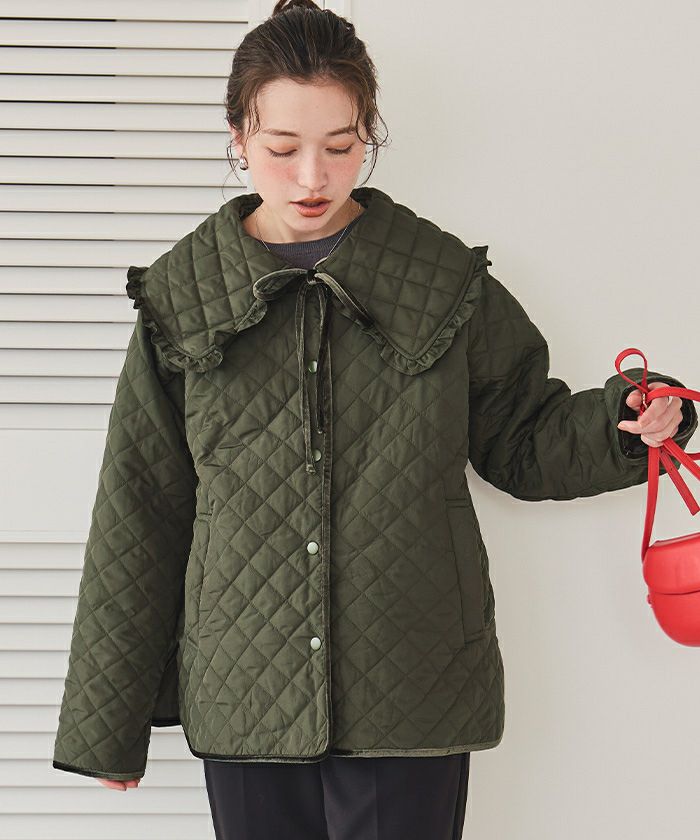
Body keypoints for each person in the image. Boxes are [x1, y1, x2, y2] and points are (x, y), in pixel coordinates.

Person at [51, 1, 698, 838]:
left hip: (412, 685)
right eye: (282, 148)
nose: (312, 177)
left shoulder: (441, 278)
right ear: (238, 137)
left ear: (370, 135)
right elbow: (140, 508)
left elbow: (523, 436)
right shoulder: (183, 299)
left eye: (341, 145)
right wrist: (106, 726)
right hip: (246, 691)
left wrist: (625, 421)